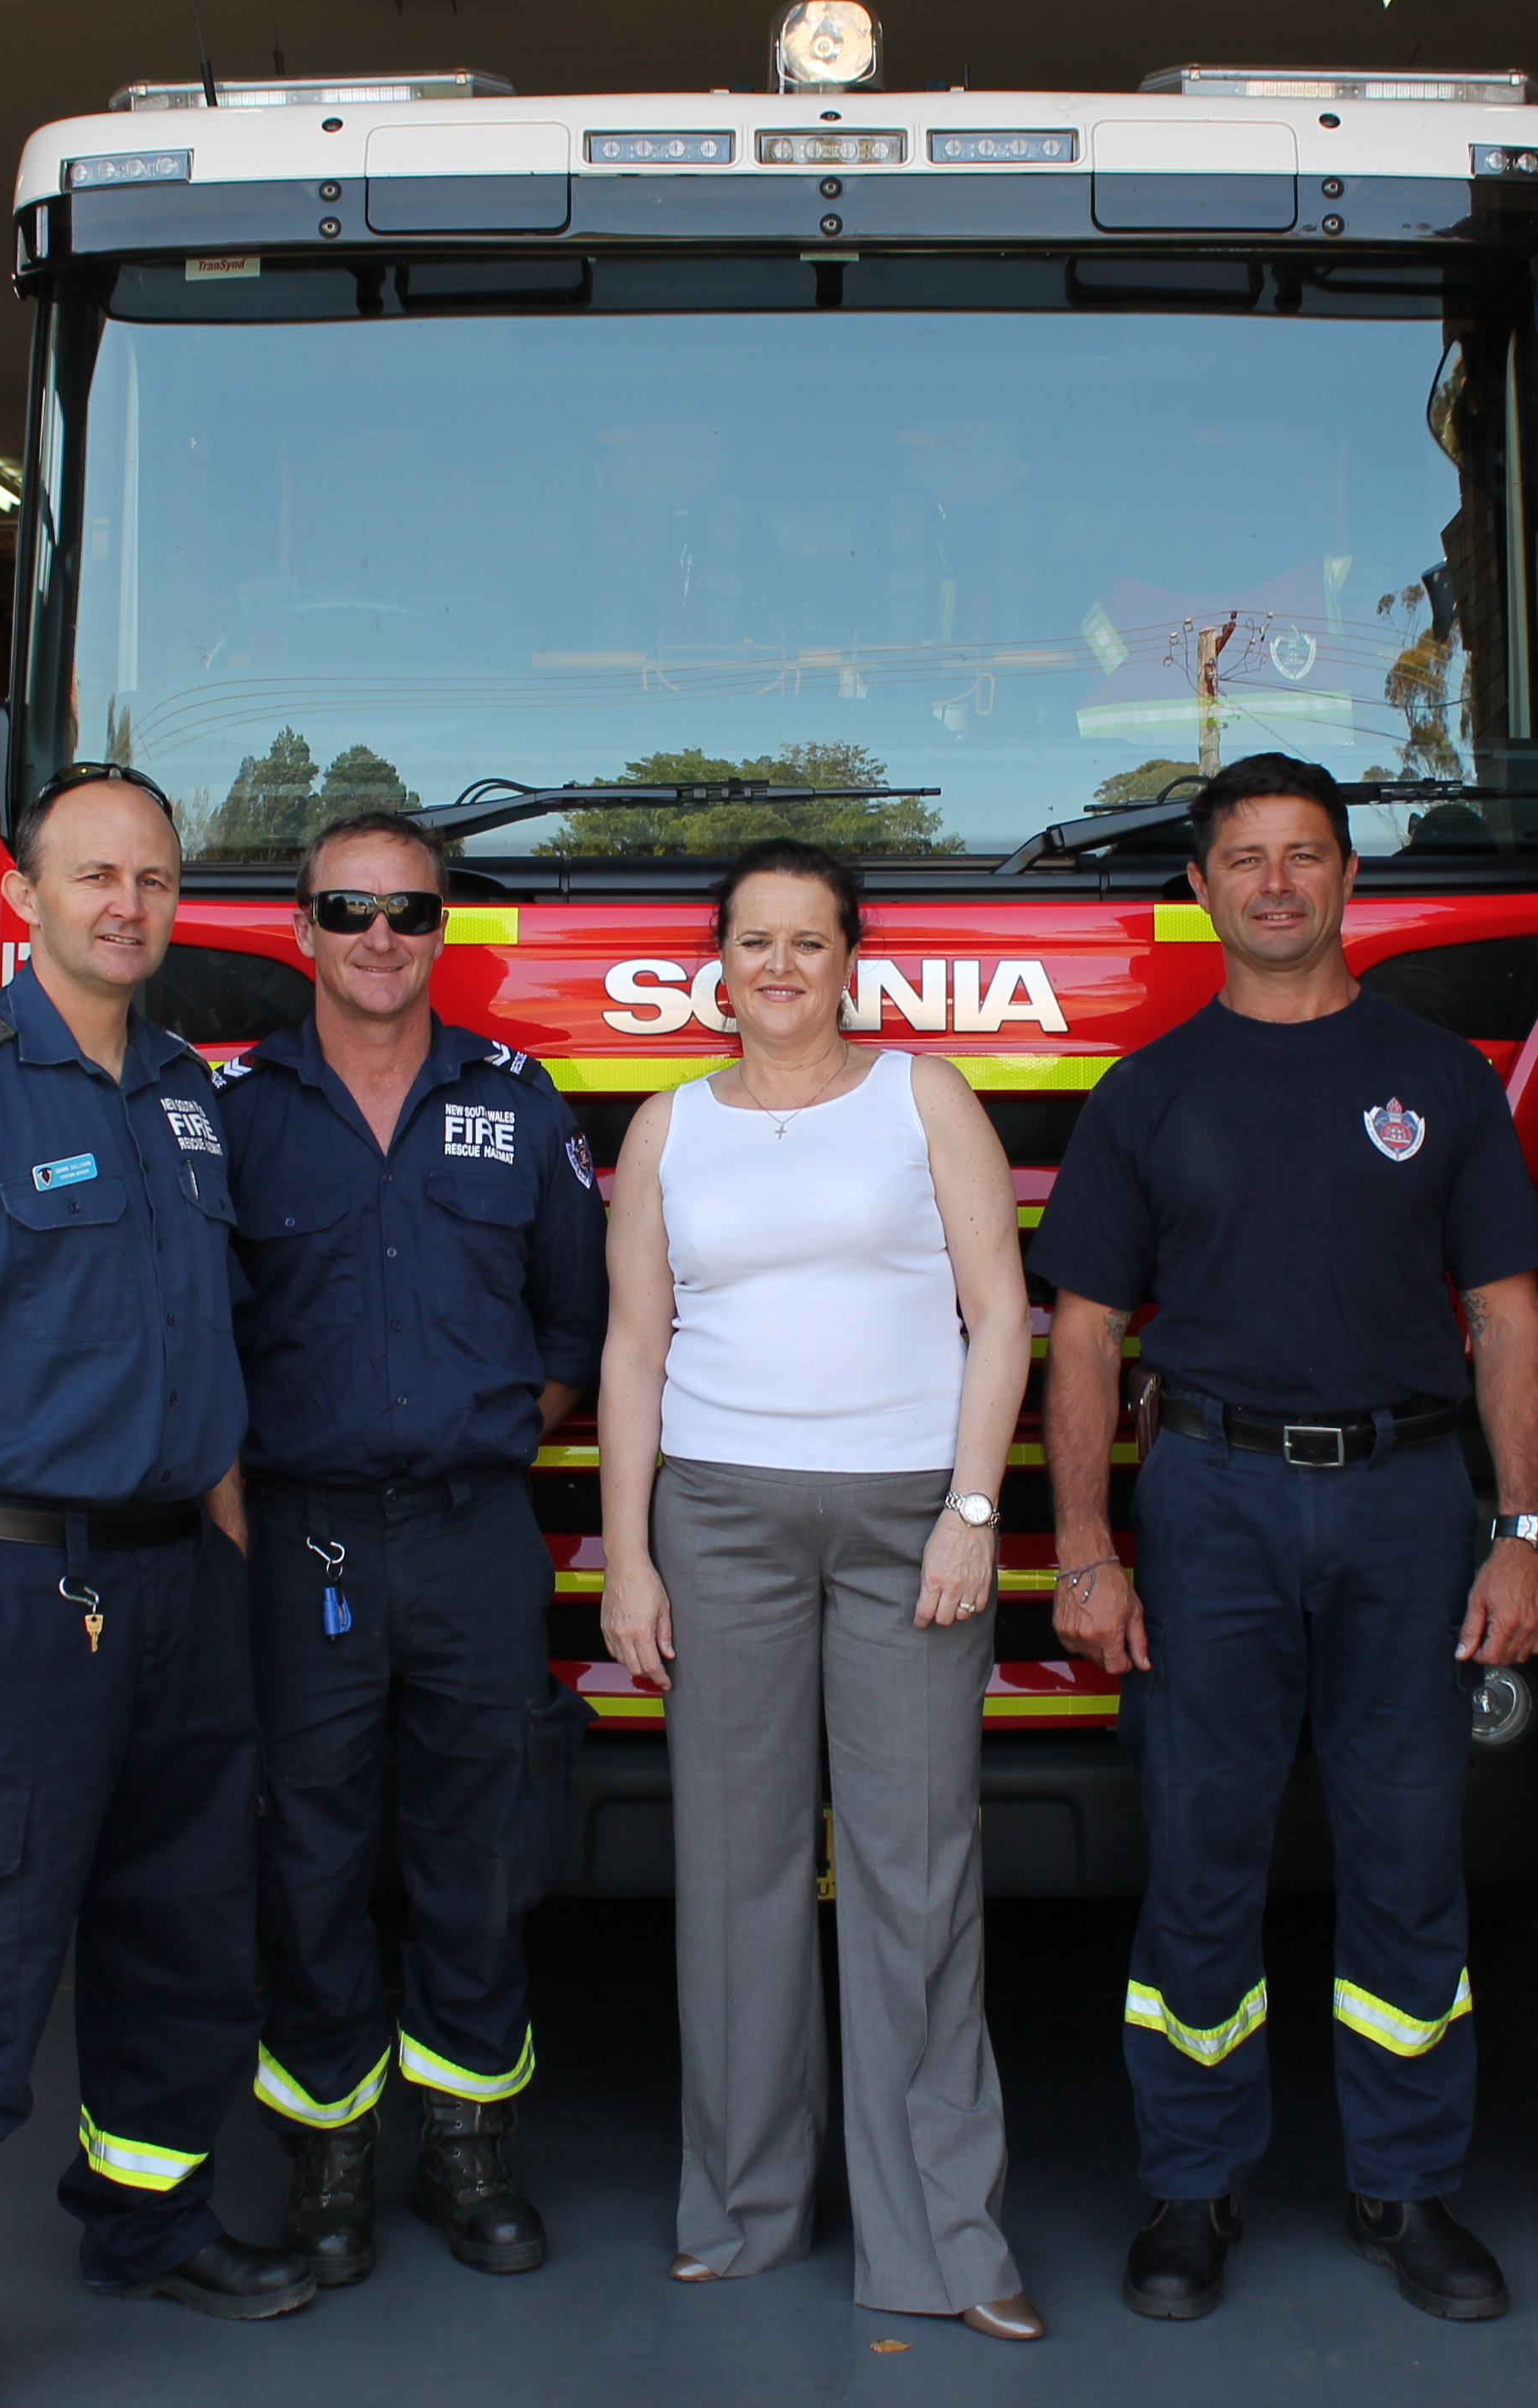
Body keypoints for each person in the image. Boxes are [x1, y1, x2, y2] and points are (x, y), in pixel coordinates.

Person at [1034, 751, 1538, 2329]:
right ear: (1200, 888)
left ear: (1349, 878)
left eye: (1306, 854)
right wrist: (1084, 1547)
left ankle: (1409, 2186)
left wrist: (1519, 1533)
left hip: (1408, 1502)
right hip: (1214, 1498)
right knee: (1202, 1858)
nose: (1277, 882)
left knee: (1408, 1857)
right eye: (1246, 858)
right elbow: (1083, 1334)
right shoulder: (1150, 1091)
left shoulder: (1440, 1079)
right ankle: (1193, 2186)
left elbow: (1508, 1317)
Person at [0, 766, 310, 2408]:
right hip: (28, 1589)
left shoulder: (186, 1092)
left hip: (183, 1589)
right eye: (93, 874)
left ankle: (148, 2220)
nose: (127, 904)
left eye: (153, 878)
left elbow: (206, 1345)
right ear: (21, 896)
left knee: (185, 1933)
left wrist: (230, 1538)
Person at [596, 836, 1044, 2342]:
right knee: (736, 1878)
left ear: (852, 958)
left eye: (808, 940)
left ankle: (945, 2245)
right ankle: (742, 2210)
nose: (779, 966)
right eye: (754, 941)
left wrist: (973, 1512)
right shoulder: (668, 1127)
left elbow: (1001, 1316)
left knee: (918, 1879)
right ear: (717, 968)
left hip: (911, 1527)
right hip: (720, 1528)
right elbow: (635, 1349)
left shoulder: (925, 1097)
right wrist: (630, 1554)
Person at [210, 808, 610, 2282]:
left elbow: (575, 1325)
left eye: (411, 911)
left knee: (481, 1849)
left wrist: (478, 1432)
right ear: (302, 931)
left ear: (447, 930)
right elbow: (199, 1338)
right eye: (349, 909)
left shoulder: (519, 1101)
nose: (381, 936)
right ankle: (330, 2159)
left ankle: (466, 2147)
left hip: (470, 1537)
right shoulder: (234, 1113)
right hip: (299, 1540)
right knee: (305, 1855)